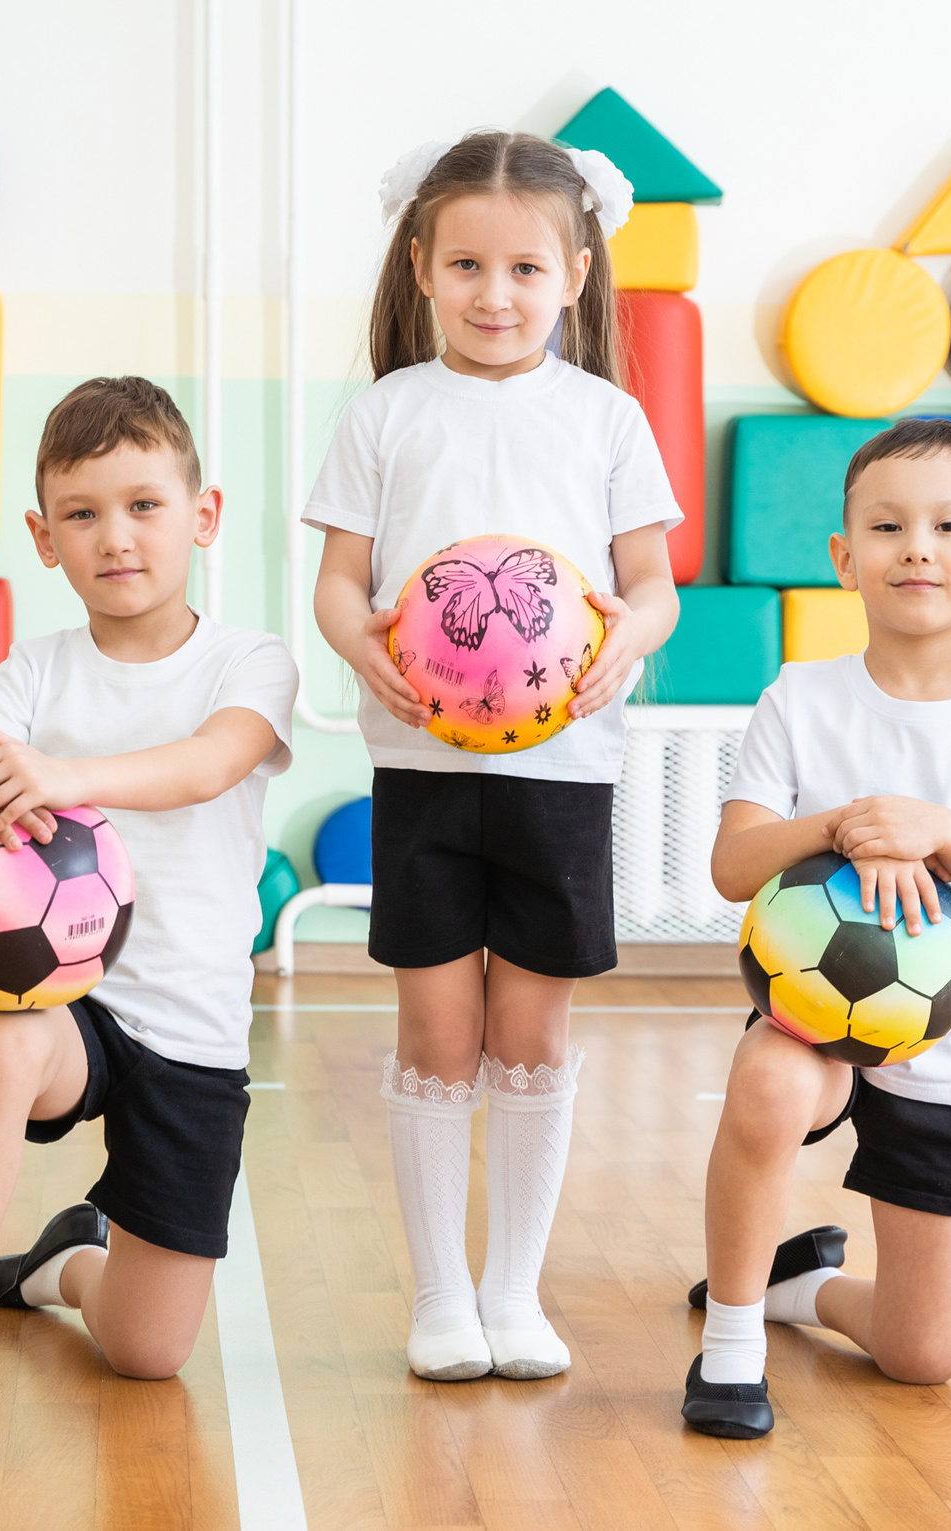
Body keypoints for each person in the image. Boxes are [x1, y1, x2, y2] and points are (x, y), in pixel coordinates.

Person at [306, 131, 682, 1382]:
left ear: (575, 273)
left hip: (563, 773)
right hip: (424, 772)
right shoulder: (386, 412)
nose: (494, 294)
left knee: (530, 1035)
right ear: (420, 264)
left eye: (525, 268)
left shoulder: (608, 419)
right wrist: (364, 649)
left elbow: (652, 588)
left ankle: (512, 1296)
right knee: (436, 1031)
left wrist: (619, 644)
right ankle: (439, 1299)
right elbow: (338, 585)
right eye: (465, 264)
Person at [0, 377, 296, 1471]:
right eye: (81, 514)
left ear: (202, 516)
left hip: (192, 1031)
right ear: (42, 538)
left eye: (143, 506)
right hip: (70, 1003)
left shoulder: (248, 662)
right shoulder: (36, 670)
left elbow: (207, 764)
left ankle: (58, 1263)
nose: (114, 537)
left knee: (145, 1352)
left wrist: (61, 777)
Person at [683, 419, 951, 1438]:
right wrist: (845, 826)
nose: (917, 546)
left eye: (950, 525)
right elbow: (733, 865)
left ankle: (793, 1291)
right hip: (811, 1019)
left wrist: (940, 833)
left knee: (921, 1358)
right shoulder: (800, 697)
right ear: (843, 558)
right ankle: (730, 1343)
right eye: (886, 525)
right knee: (771, 1079)